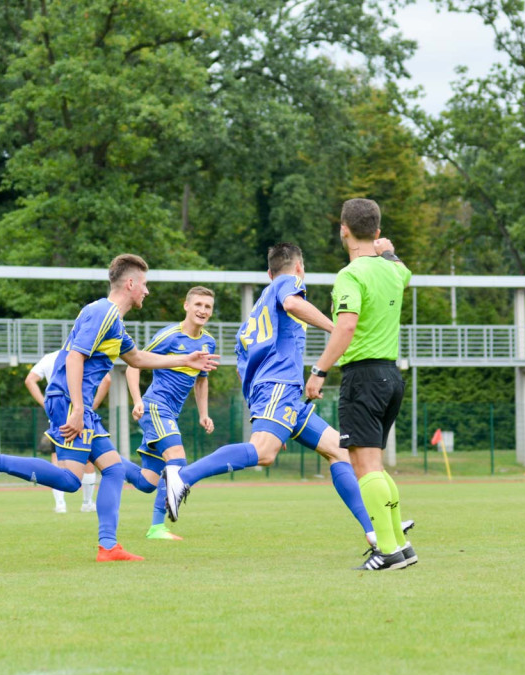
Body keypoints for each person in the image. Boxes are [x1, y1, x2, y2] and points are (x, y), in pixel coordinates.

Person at [0, 254, 218, 562]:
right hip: (68, 400)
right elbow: (75, 358)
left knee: (115, 469)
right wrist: (78, 408)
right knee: (69, 480)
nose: (146, 291)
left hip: (77, 403)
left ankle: (108, 546)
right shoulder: (103, 312)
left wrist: (185, 360)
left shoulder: (114, 323)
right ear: (131, 284)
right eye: (144, 285)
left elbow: (137, 360)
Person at [163, 243, 383, 552]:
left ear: (267, 273)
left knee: (339, 451)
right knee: (263, 452)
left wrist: (262, 404)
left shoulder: (253, 317)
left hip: (281, 393)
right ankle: (183, 476)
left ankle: (376, 532)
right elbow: (293, 304)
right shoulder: (288, 282)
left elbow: (243, 366)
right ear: (298, 268)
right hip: (280, 387)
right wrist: (337, 329)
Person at [304, 198, 415, 571]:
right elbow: (404, 273)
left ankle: (388, 551)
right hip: (390, 376)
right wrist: (390, 253)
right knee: (375, 466)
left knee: (364, 468)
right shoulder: (393, 271)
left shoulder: (350, 274)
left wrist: (319, 370)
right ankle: (400, 545)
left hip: (363, 377)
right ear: (378, 231)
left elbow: (346, 326)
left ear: (343, 228)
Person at [119, 286, 218, 541]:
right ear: (186, 306)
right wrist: (137, 400)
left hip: (171, 414)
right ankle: (161, 522)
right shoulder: (169, 337)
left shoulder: (208, 342)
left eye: (207, 306)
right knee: (177, 459)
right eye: (198, 304)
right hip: (155, 406)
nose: (202, 310)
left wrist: (203, 414)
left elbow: (201, 380)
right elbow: (133, 364)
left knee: (146, 482)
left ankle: (107, 460)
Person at [26, 351, 98, 512]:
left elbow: (30, 380)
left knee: (57, 460)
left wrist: (45, 403)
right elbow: (106, 380)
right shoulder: (84, 354)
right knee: (88, 460)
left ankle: (60, 504)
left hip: (58, 416)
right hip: (82, 414)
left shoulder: (49, 358)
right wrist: (92, 405)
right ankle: (87, 503)